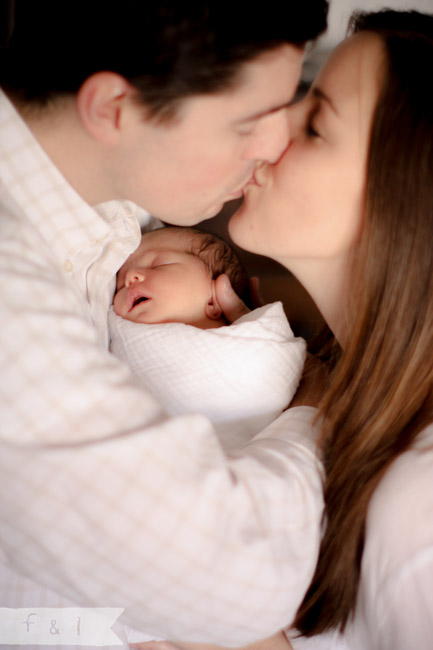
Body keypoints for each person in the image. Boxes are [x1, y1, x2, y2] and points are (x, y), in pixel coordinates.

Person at [0, 1, 329, 647]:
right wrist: (318, 405)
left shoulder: (114, 214)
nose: (274, 148)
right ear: (114, 110)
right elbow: (233, 582)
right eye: (249, 122)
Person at [227, 8, 433, 650]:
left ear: (402, 202)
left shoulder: (419, 516)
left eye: (314, 125)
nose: (267, 130)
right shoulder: (340, 397)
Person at [109, 226, 306, 451]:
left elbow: (271, 379)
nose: (130, 279)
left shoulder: (254, 349)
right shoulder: (117, 331)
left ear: (213, 299)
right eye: (119, 283)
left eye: (159, 265)